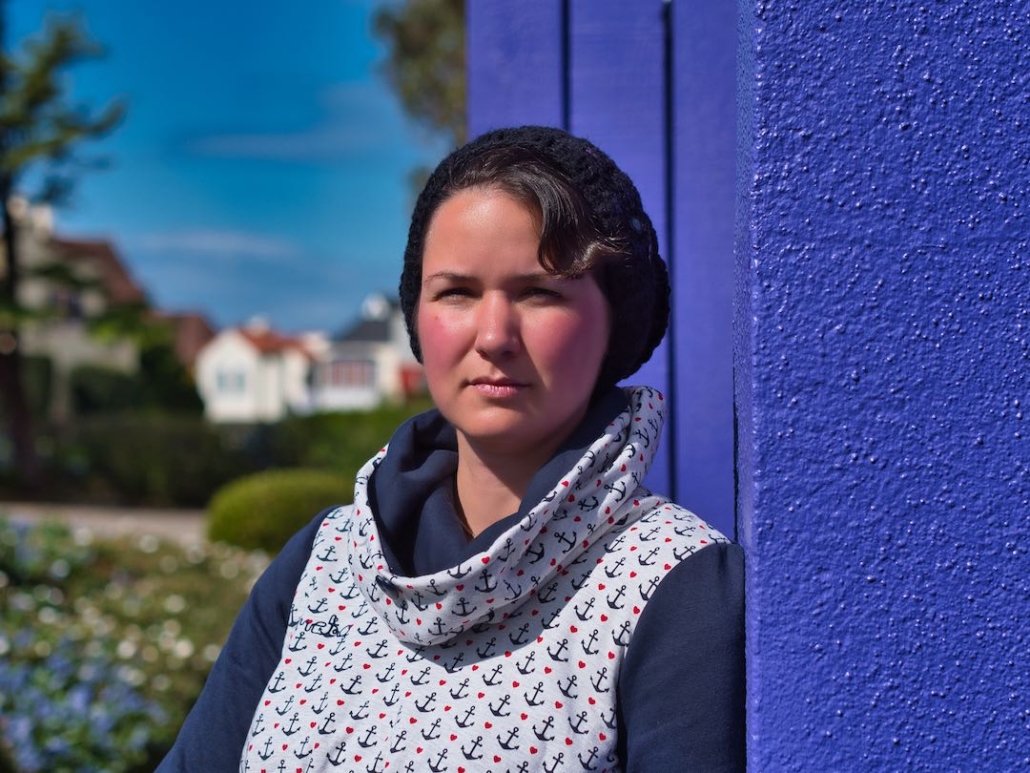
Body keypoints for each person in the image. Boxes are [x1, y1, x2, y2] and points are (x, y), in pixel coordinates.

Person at [158, 125, 744, 772]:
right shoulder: (319, 564)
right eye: (458, 292)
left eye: (540, 291)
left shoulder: (670, 585)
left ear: (616, 320)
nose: (493, 334)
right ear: (416, 315)